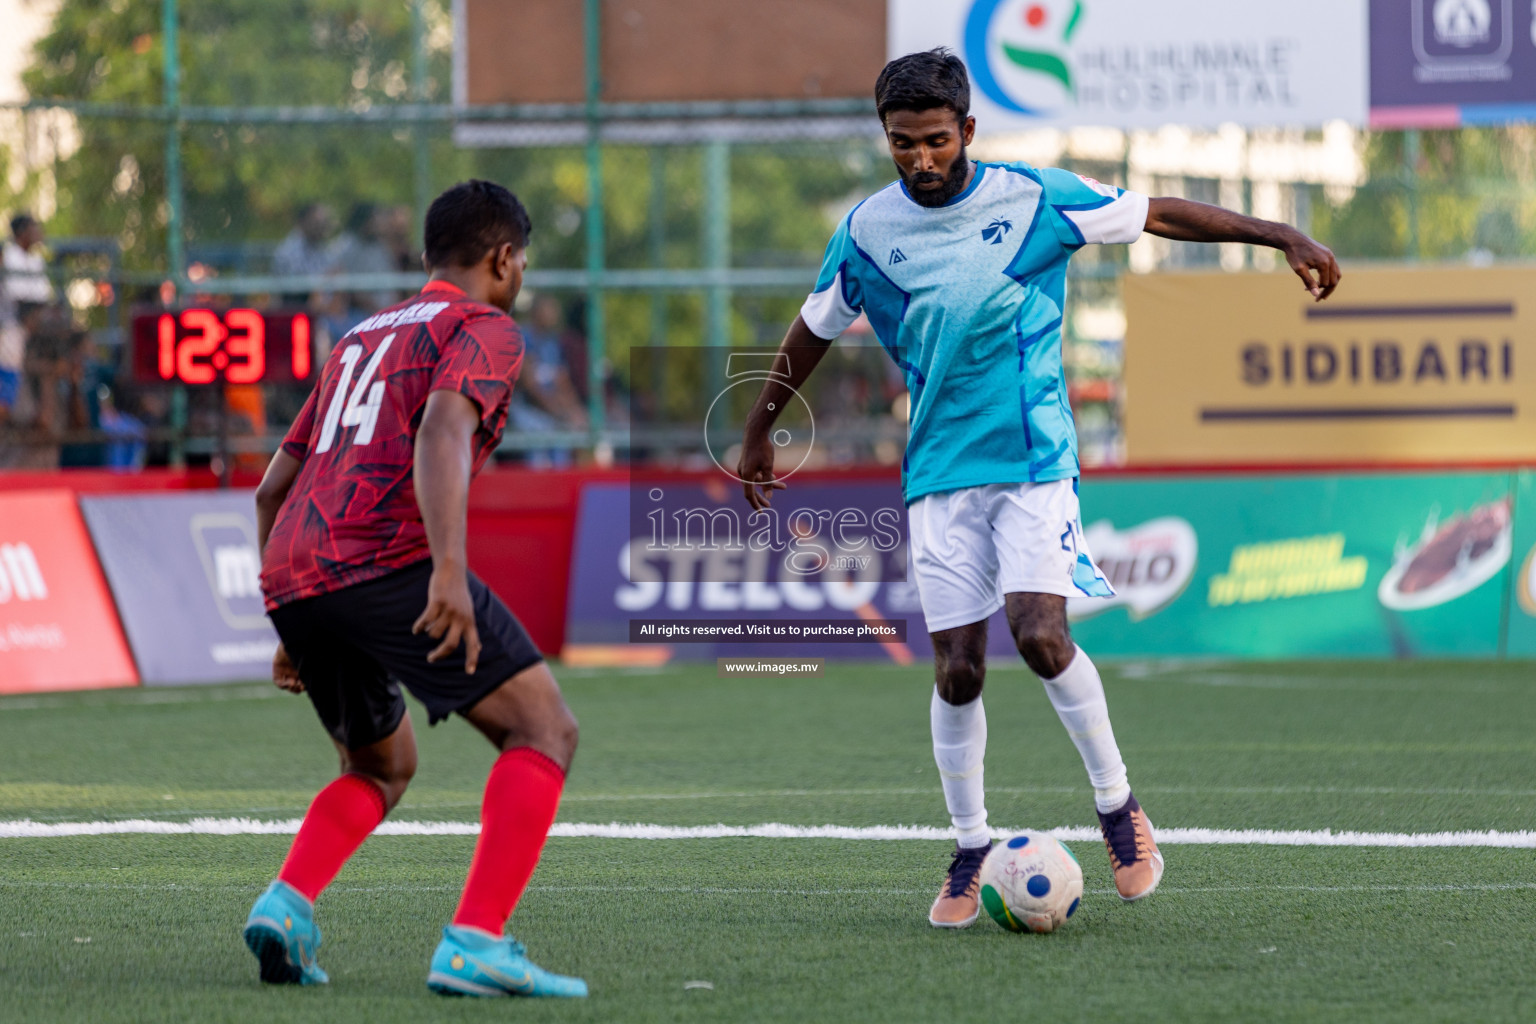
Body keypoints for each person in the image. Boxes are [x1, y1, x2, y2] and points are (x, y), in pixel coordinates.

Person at [738, 49, 1340, 928]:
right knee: (956, 670)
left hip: (1032, 460)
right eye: (902, 143)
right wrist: (760, 427)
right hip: (938, 475)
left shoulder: (1036, 197)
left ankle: (1117, 807)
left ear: (968, 131)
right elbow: (816, 325)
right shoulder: (867, 232)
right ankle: (970, 843)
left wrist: (1281, 234)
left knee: (1040, 635)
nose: (920, 159)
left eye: (936, 140)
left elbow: (1159, 214)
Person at [247, 180, 586, 998]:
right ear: (503, 259)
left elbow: (270, 488)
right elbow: (442, 426)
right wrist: (445, 570)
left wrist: (288, 623)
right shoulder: (483, 326)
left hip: (296, 568)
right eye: (523, 261)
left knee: (380, 762)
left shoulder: (359, 335)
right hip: (386, 559)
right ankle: (476, 940)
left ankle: (286, 904)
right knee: (544, 731)